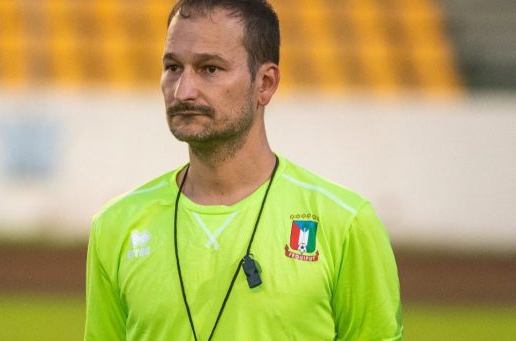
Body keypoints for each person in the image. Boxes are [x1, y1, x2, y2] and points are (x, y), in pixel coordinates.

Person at [85, 0, 403, 340]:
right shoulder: (117, 225)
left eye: (210, 69)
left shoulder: (345, 223)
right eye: (173, 67)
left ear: (265, 83)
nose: (183, 90)